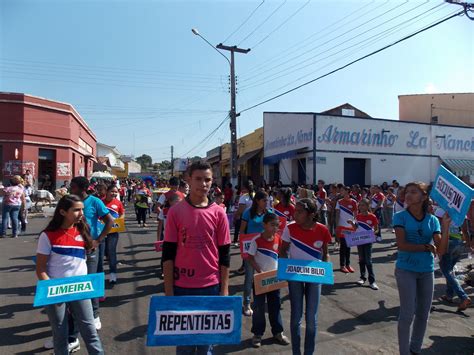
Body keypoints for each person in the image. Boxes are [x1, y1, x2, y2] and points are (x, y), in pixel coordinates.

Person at [162, 162, 230, 355]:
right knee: (184, 346)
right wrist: (169, 292)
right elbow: (168, 255)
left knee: (205, 346)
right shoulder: (176, 212)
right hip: (181, 286)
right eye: (198, 179)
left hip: (211, 286)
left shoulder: (219, 213)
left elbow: (224, 256)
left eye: (207, 179)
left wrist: (224, 290)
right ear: (189, 180)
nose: (203, 183)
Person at [36, 195, 104, 355]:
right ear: (62, 212)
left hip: (80, 289)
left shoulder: (83, 231)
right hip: (56, 291)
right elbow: (40, 269)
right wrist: (52, 291)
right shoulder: (47, 235)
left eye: (82, 209)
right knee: (60, 334)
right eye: (76, 210)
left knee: (90, 332)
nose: (81, 213)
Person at [393, 182, 449, 355]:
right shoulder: (400, 216)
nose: (408, 195)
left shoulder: (433, 220)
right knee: (407, 313)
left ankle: (414, 349)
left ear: (424, 196)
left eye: (413, 192)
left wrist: (446, 226)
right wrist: (426, 247)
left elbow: (440, 250)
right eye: (407, 192)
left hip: (426, 271)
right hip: (405, 269)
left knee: (423, 313)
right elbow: (402, 245)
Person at [280, 198, 331, 355]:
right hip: (295, 277)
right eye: (295, 211)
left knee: (311, 320)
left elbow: (326, 254)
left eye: (300, 212)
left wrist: (325, 270)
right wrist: (287, 270)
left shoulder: (322, 230)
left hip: (314, 277)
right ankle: (296, 352)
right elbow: (282, 251)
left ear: (311, 214)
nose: (296, 214)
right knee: (296, 318)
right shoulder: (290, 228)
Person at [69, 177, 114, 331]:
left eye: (73, 186)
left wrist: (98, 240)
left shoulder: (95, 202)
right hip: (72, 249)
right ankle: (76, 315)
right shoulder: (69, 201)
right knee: (76, 281)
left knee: (91, 281)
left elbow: (110, 221)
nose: (70, 188)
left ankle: (94, 314)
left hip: (90, 248)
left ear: (82, 188)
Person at [247, 213, 290, 348]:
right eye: (272, 224)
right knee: (259, 307)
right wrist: (259, 272)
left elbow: (282, 255)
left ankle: (278, 332)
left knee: (275, 306)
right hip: (260, 279)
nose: (275, 227)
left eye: (277, 225)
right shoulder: (257, 240)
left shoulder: (278, 239)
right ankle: (257, 334)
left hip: (275, 280)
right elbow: (250, 258)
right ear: (264, 225)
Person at [240, 191, 271, 317]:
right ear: (258, 201)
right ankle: (246, 303)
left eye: (267, 201)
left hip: (264, 250)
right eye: (264, 200)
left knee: (263, 276)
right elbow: (242, 231)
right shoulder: (248, 213)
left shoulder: (269, 214)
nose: (267, 203)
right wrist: (244, 249)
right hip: (250, 250)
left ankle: (260, 302)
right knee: (249, 277)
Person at [434, 207, 472, 311]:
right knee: (450, 270)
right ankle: (449, 295)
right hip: (459, 243)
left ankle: (463, 297)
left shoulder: (440, 210)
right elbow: (464, 230)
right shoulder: (461, 211)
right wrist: (468, 244)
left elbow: (437, 229)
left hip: (447, 242)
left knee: (446, 271)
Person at [349, 199, 379, 290]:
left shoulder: (372, 217)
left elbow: (377, 229)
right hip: (359, 241)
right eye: (360, 205)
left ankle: (372, 281)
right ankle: (362, 278)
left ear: (367, 206)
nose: (360, 207)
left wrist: (373, 233)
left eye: (363, 205)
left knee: (368, 260)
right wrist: (351, 223)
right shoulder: (357, 216)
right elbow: (356, 228)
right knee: (361, 259)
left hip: (368, 241)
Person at [101, 185, 125, 284]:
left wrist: (120, 220)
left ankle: (113, 274)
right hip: (101, 231)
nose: (114, 193)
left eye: (116, 192)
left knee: (112, 252)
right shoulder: (100, 202)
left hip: (113, 232)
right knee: (101, 254)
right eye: (112, 191)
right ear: (106, 191)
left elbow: (122, 213)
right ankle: (99, 275)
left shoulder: (118, 203)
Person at [335, 186, 358, 273]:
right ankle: (342, 265)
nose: (341, 192)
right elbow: (337, 214)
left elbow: (356, 215)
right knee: (343, 246)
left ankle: (348, 264)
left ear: (348, 191)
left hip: (350, 227)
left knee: (348, 246)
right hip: (341, 227)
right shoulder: (339, 202)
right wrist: (337, 226)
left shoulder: (354, 202)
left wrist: (355, 225)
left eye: (342, 190)